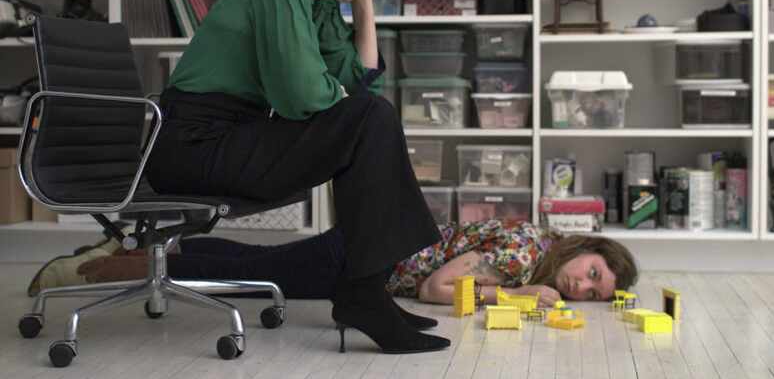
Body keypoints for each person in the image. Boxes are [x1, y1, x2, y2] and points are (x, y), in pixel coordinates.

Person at [138, 0, 450, 355]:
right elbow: (301, 93)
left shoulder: (319, 2)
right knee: (368, 119)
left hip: (237, 135)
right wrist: (342, 99)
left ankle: (367, 290)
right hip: (193, 141)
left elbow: (361, 83)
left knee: (370, 115)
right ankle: (364, 293)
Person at [32, 219, 639, 311]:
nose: (581, 287)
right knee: (253, 281)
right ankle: (89, 271)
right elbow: (435, 289)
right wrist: (520, 299)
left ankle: (149, 249)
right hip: (367, 258)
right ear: (583, 249)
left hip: (371, 246)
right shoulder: (522, 256)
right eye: (591, 272)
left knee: (258, 264)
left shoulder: (533, 246)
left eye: (594, 292)